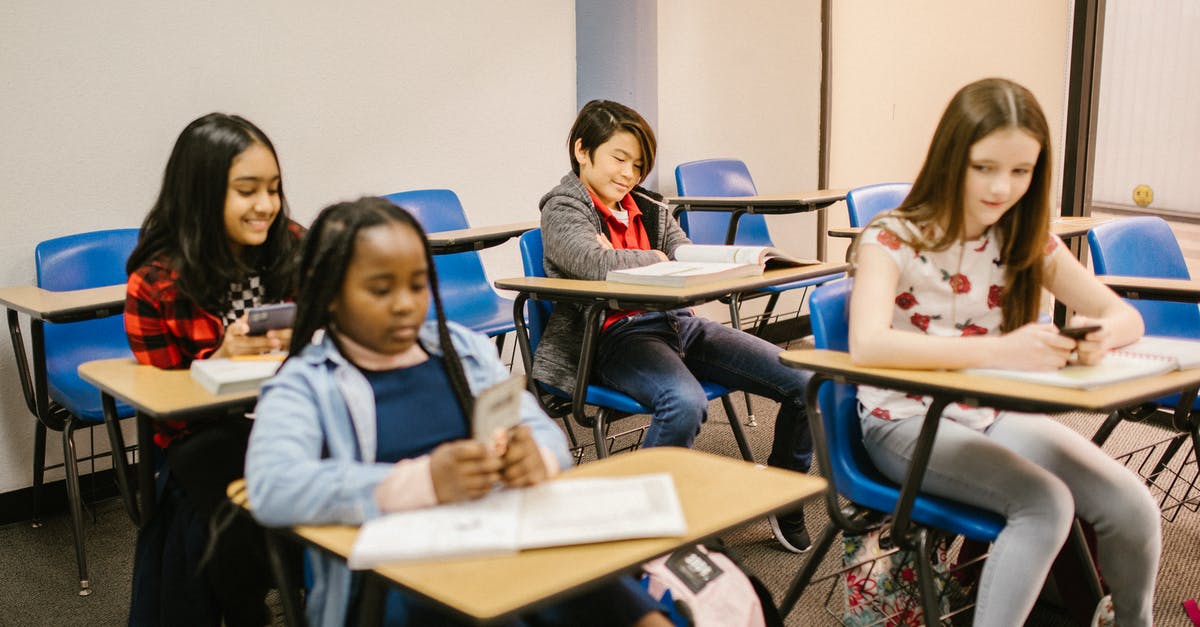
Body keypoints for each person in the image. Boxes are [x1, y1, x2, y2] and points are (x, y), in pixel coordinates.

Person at [244, 197, 671, 627]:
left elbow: (541, 433)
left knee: (615, 594)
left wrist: (534, 457)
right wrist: (423, 481)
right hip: (395, 581)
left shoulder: (461, 349)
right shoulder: (305, 381)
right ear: (329, 295)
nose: (404, 304)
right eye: (380, 290)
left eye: (416, 285)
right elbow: (272, 487)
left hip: (498, 538)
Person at [848, 77, 1160, 627]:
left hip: (986, 414)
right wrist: (1000, 350)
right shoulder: (891, 236)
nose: (1003, 187)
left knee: (1132, 505)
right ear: (952, 158)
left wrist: (1096, 339)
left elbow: (1124, 315)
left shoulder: (1023, 236)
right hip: (903, 422)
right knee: (1045, 506)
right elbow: (867, 343)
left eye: (1022, 171)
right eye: (985, 167)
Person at [535, 99, 815, 552]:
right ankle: (638, 524)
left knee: (806, 382)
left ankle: (784, 493)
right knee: (682, 402)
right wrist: (658, 259)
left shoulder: (647, 207)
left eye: (638, 165)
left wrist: (732, 262)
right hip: (613, 337)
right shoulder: (563, 209)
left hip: (677, 324)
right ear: (582, 151)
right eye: (619, 159)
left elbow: (683, 253)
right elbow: (593, 262)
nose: (628, 174)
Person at [124, 112, 304, 626]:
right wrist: (218, 362)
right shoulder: (156, 279)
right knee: (206, 497)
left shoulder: (293, 245)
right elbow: (168, 410)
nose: (266, 205)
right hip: (205, 433)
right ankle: (253, 606)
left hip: (293, 417)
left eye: (273, 188)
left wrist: (310, 339)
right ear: (201, 193)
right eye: (247, 191)